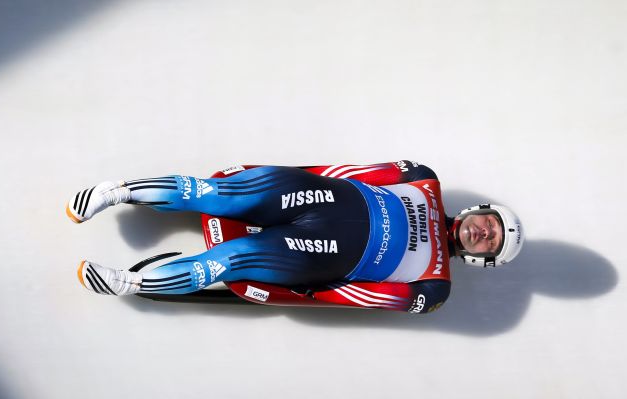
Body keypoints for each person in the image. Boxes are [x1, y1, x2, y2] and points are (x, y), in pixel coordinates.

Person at [66, 162, 524, 313]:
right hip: (325, 198)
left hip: (328, 255)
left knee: (230, 260)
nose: (484, 231)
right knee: (217, 194)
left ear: (483, 258)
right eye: (490, 222)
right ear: (477, 211)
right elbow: (352, 171)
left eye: (490, 241)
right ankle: (119, 193)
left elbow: (368, 297)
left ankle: (132, 282)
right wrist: (303, 176)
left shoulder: (434, 286)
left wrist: (312, 292)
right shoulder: (423, 178)